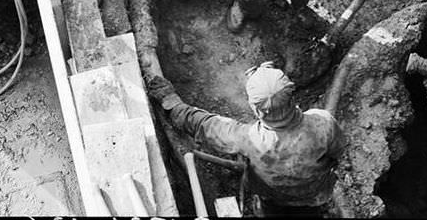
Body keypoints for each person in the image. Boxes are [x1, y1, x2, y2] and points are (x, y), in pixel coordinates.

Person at [147, 62, 345, 217]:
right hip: (314, 197)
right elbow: (337, 153)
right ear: (292, 97)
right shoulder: (323, 123)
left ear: (256, 109)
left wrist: (171, 100)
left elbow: (201, 124)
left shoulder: (247, 138)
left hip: (271, 199)